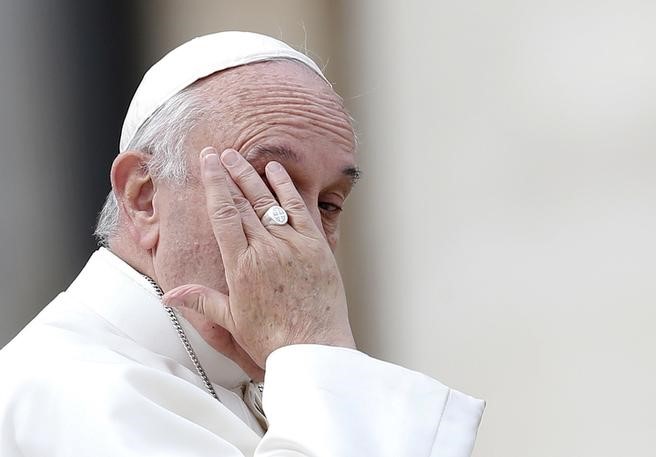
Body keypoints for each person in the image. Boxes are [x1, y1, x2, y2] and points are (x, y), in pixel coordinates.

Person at [0, 31, 484, 456]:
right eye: (266, 188)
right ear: (143, 196)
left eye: (330, 205)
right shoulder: (68, 391)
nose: (306, 240)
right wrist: (313, 343)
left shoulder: (250, 381)